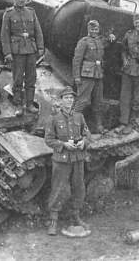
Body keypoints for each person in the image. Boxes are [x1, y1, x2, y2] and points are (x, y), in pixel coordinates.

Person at [45, 86, 91, 236]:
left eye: (71, 98)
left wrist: (84, 142)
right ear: (61, 100)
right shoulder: (54, 118)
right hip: (62, 159)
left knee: (79, 187)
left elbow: (88, 134)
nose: (69, 101)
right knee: (58, 188)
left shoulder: (79, 117)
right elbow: (49, 140)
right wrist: (63, 144)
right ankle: (53, 220)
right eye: (66, 98)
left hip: (78, 158)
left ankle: (76, 216)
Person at [1, 0, 45, 116]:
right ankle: (18, 105)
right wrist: (7, 52)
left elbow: (38, 31)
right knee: (18, 79)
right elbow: (4, 35)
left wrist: (40, 47)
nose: (21, 0)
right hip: (17, 51)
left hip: (31, 50)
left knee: (31, 78)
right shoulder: (8, 14)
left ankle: (29, 104)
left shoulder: (31, 12)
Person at [72, 19, 115, 133]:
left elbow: (107, 41)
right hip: (86, 75)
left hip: (98, 75)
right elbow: (77, 60)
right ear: (88, 30)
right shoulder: (84, 42)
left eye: (96, 29)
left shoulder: (100, 41)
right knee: (82, 101)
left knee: (98, 102)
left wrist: (110, 36)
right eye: (92, 29)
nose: (94, 31)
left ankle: (98, 126)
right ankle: (73, 128)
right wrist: (76, 76)